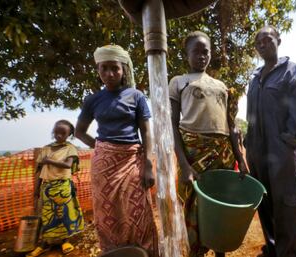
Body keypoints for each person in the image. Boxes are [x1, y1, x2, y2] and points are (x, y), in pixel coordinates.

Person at [169, 31, 248, 257]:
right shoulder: (178, 82)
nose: (202, 56)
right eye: (196, 52)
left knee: (220, 203)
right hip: (194, 152)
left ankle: (220, 249)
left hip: (223, 153)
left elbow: (230, 126)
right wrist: (184, 165)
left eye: (206, 52)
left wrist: (240, 158)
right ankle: (197, 252)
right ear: (187, 55)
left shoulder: (222, 86)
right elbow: (173, 126)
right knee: (196, 207)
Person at [75, 45, 158, 256]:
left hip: (132, 161)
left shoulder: (136, 96)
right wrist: (102, 148)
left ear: (124, 70)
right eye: (104, 68)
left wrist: (148, 166)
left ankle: (145, 252)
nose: (109, 74)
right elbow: (79, 132)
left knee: (139, 212)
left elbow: (146, 132)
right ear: (98, 70)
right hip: (103, 167)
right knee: (107, 213)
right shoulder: (93, 100)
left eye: (115, 68)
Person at [244, 25, 296, 257]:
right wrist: (250, 144)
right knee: (266, 203)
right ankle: (272, 249)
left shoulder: (291, 71)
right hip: (258, 152)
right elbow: (250, 115)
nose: (262, 45)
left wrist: (288, 140)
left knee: (288, 204)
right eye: (258, 43)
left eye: (267, 40)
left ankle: (289, 253)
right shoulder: (255, 79)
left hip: (283, 151)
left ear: (278, 40)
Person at [27, 120, 84, 257]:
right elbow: (41, 171)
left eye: (63, 133)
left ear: (69, 134)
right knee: (46, 215)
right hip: (46, 187)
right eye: (57, 132)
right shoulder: (45, 149)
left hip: (63, 186)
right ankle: (44, 243)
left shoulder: (70, 148)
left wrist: (49, 161)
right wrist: (36, 190)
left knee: (63, 214)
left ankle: (65, 241)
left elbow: (68, 165)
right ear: (53, 131)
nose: (59, 135)